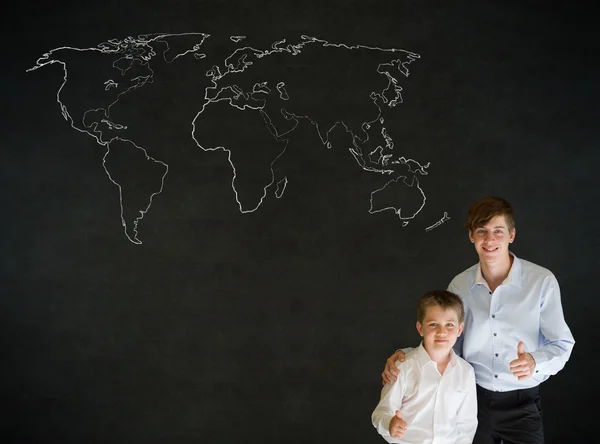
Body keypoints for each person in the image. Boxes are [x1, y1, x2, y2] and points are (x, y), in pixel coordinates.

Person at [381, 196, 575, 444]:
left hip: (523, 404)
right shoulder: (459, 285)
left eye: (498, 231)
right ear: (472, 236)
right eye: (482, 231)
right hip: (472, 401)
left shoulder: (542, 281)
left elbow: (562, 343)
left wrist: (534, 361)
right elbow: (447, 340)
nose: (490, 240)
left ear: (511, 235)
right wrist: (405, 354)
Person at [372, 290, 477, 443]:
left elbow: (467, 423)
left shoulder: (466, 372)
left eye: (449, 325)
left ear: (459, 329)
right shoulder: (403, 367)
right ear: (420, 328)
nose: (442, 332)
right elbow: (381, 412)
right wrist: (390, 424)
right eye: (433, 324)